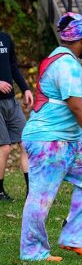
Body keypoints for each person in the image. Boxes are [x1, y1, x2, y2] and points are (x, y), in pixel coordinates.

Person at [20, 13, 82, 262]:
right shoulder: (67, 65)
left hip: (69, 140)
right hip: (49, 140)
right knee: (41, 196)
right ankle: (32, 251)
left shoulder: (62, 59)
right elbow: (76, 106)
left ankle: (72, 237)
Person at [0, 30, 33, 201]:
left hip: (11, 101)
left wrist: (26, 88)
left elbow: (13, 66)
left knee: (27, 143)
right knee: (4, 148)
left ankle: (31, 191)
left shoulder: (5, 37)